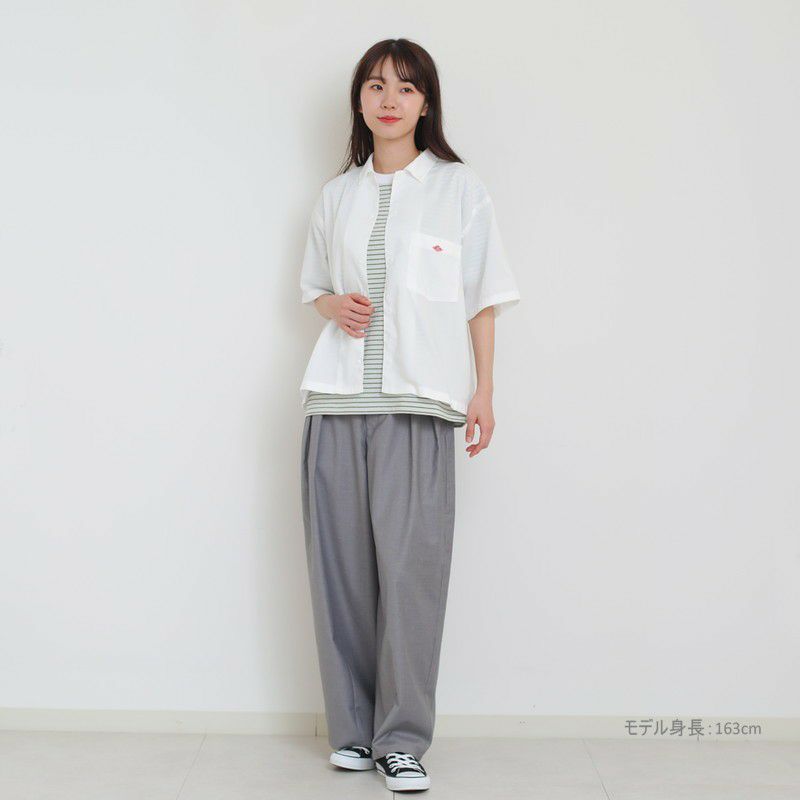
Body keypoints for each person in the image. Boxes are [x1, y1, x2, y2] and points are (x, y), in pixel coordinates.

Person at [298, 38, 521, 792]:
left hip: (421, 407)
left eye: (405, 86)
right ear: (359, 102)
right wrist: (333, 304)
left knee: (411, 575)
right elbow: (314, 289)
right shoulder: (337, 196)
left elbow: (482, 297)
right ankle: (352, 733)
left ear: (426, 103)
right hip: (334, 403)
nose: (389, 99)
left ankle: (401, 740)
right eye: (375, 86)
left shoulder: (459, 189)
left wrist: (484, 391)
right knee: (341, 577)